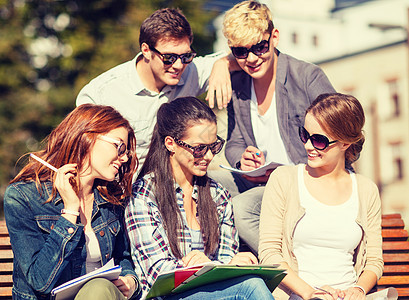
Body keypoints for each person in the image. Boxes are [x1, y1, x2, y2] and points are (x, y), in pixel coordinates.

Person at [208, 0, 336, 253]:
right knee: (207, 184)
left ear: (274, 37)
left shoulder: (308, 77)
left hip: (306, 183)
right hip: (260, 183)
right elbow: (234, 141)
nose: (252, 59)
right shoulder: (239, 84)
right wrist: (241, 161)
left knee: (241, 209)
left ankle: (288, 271)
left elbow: (341, 137)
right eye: (241, 52)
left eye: (259, 47)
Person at [124, 97, 274, 299]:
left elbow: (225, 258)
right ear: (171, 144)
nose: (209, 156)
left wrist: (225, 264)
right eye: (199, 148)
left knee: (253, 282)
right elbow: (156, 271)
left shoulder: (217, 194)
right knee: (251, 287)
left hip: (212, 291)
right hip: (165, 296)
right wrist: (208, 267)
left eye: (214, 146)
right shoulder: (144, 194)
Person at [4, 104, 140, 300]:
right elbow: (40, 281)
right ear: (87, 137)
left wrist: (130, 281)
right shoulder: (23, 197)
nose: (125, 157)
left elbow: (122, 258)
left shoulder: (110, 198)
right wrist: (70, 212)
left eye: (126, 151)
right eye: (119, 146)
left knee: (99, 289)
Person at [76, 8, 237, 173]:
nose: (179, 65)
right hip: (119, 190)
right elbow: (81, 153)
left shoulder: (191, 72)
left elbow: (245, 56)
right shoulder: (102, 93)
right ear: (146, 50)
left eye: (186, 57)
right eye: (169, 58)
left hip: (167, 187)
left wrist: (222, 63)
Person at [258, 93, 384, 300]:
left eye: (318, 140)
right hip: (298, 295)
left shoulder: (366, 189)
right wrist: (311, 292)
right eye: (305, 135)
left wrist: (358, 290)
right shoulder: (284, 179)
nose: (308, 146)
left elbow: (374, 260)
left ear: (345, 143)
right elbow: (270, 254)